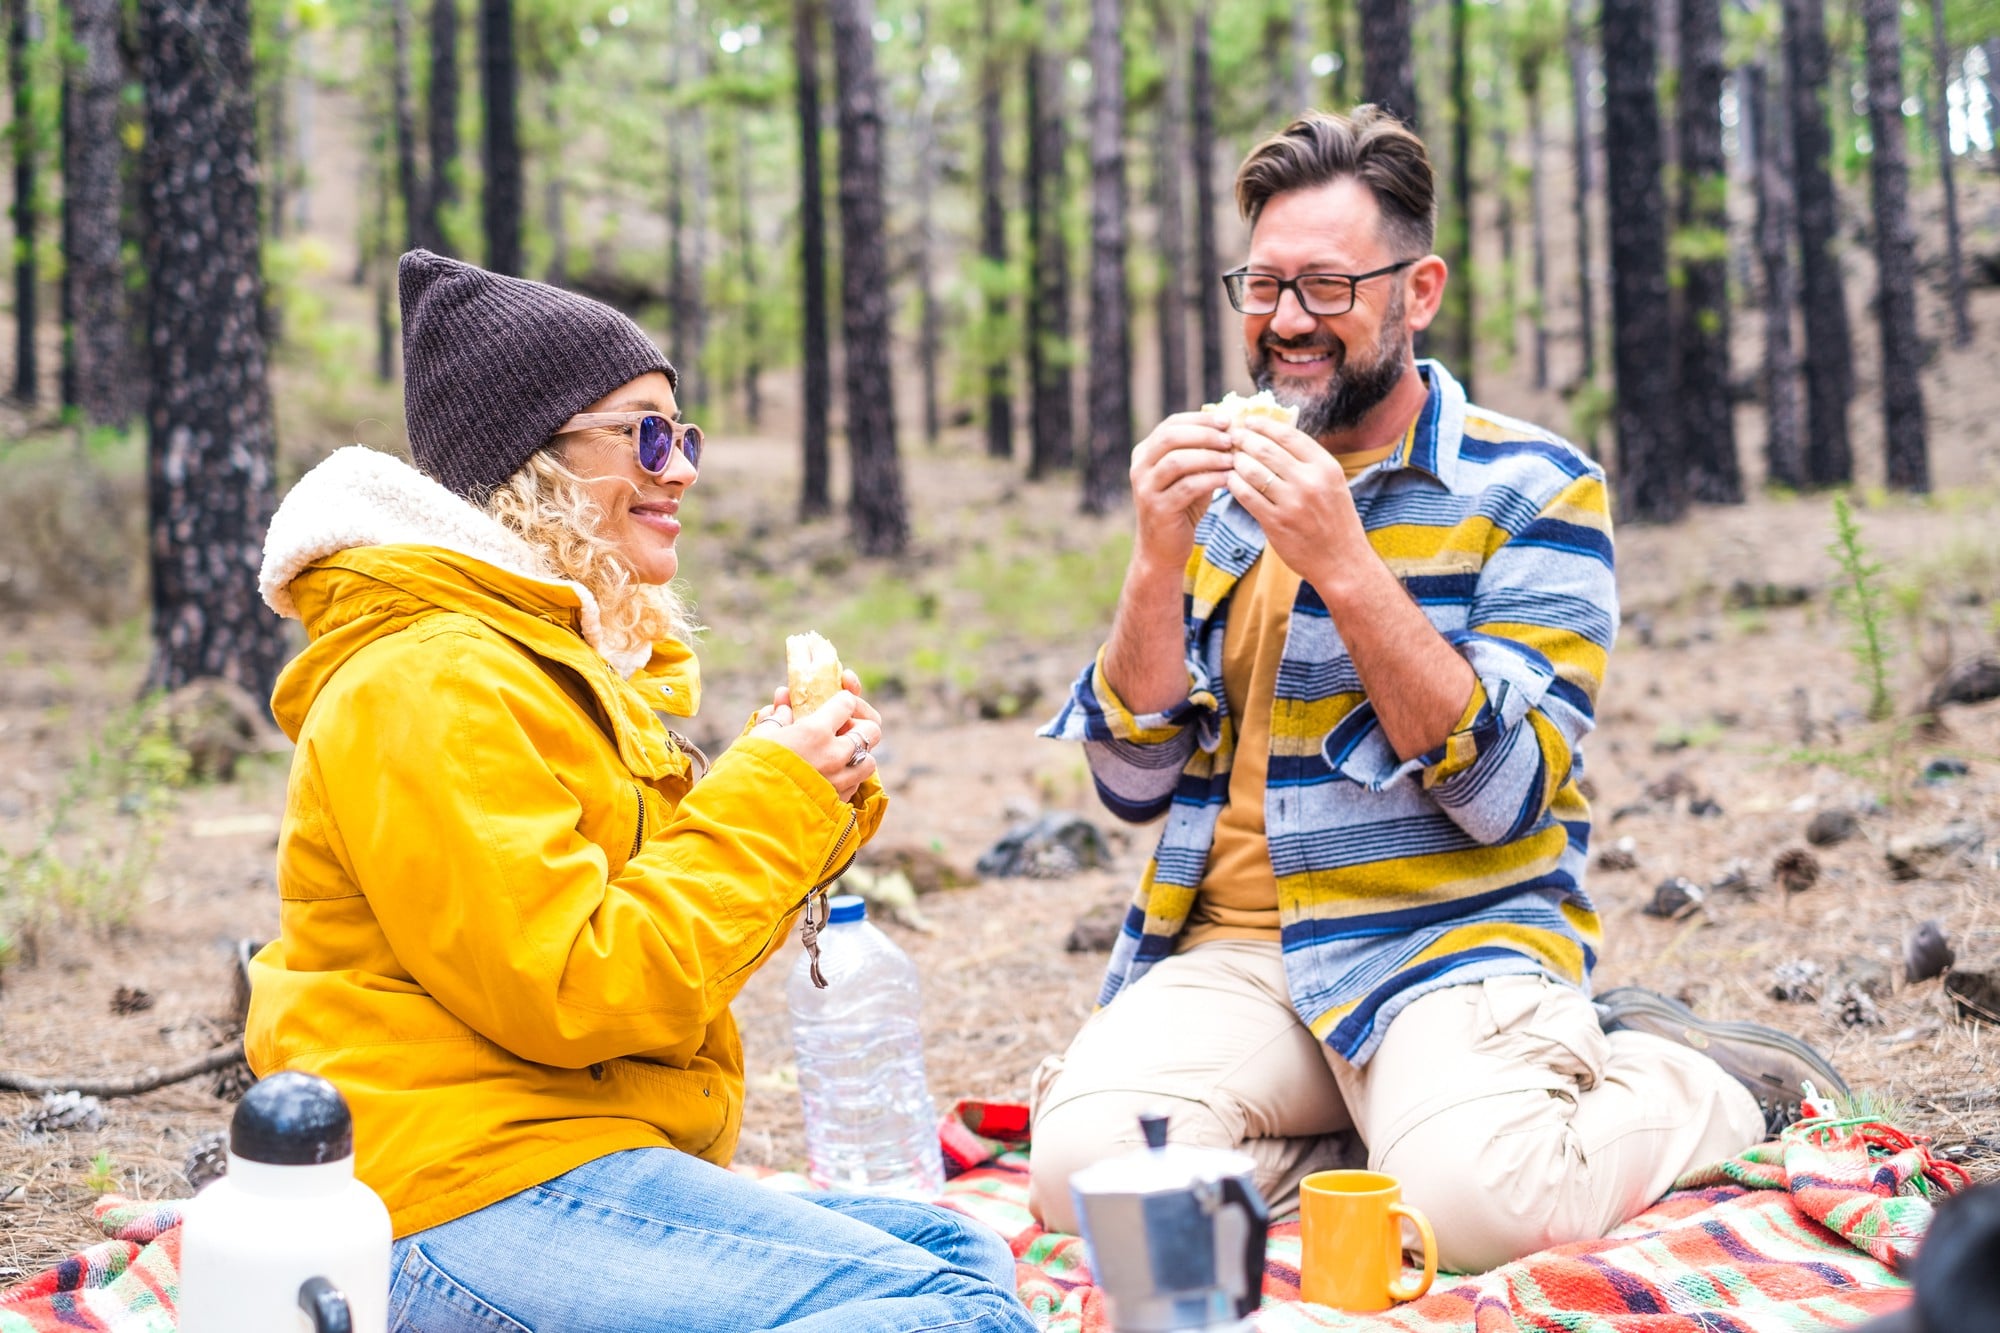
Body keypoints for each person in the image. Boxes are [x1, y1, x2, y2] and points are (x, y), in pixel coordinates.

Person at [1026, 107, 1847, 1274]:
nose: (1287, 322)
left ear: (1417, 291)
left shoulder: (1535, 491)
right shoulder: (1218, 488)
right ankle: (1396, 1144)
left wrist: (1343, 562)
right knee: (1093, 1179)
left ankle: (1692, 1081)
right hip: (1239, 954)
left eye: (1325, 286)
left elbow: (1505, 796)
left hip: (1448, 942)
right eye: (1261, 287)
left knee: (1479, 1215)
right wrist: (1153, 560)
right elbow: (1130, 781)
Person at [246, 250, 1036, 1333]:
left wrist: (797, 797)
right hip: (450, 1192)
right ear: (536, 463)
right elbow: (573, 986)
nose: (682, 470)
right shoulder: (430, 676)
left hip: (558, 1146)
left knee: (959, 1251)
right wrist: (767, 797)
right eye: (646, 433)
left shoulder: (534, 665)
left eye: (686, 436)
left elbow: (659, 966)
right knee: (953, 1313)